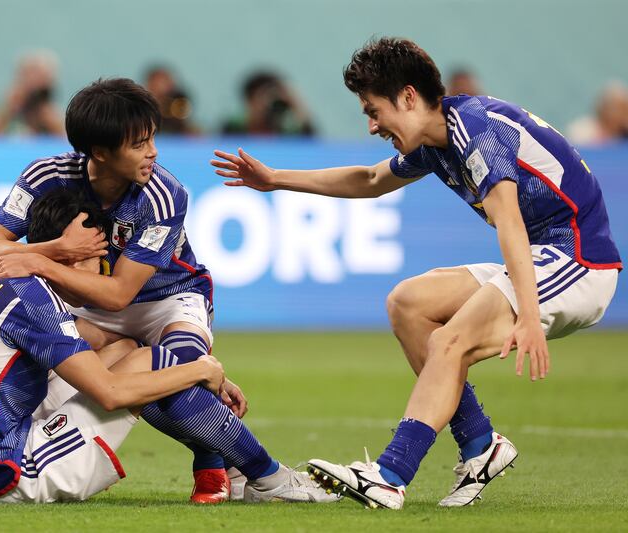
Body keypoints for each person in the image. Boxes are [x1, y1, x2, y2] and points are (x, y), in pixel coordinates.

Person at [211, 37, 621, 510]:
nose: (371, 125)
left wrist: (528, 313)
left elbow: (508, 221)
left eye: (374, 110)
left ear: (408, 97)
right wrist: (276, 179)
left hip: (578, 260)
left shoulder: (475, 129)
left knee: (450, 341)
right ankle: (479, 444)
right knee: (409, 303)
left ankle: (389, 476)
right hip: (541, 255)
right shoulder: (437, 140)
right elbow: (369, 181)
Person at [0, 78, 315, 503]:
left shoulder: (164, 194)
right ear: (99, 152)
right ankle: (237, 463)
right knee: (152, 378)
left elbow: (119, 294)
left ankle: (216, 465)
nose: (152, 152)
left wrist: (37, 259)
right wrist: (57, 249)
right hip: (87, 301)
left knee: (177, 364)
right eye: (138, 144)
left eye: (152, 138)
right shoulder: (46, 176)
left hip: (167, 300)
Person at [0, 188, 338, 503]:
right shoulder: (35, 301)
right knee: (152, 363)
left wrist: (212, 374)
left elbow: (107, 341)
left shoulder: (7, 282)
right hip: (9, 472)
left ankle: (225, 461)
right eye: (94, 254)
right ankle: (270, 478)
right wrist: (202, 369)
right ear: (68, 254)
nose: (100, 268)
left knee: (128, 349)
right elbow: (110, 394)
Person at [0, 51, 65, 137]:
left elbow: (71, 144)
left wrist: (50, 120)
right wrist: (7, 111)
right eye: (28, 76)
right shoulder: (0, 112)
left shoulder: (55, 116)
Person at [221, 70, 315, 136]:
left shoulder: (286, 131)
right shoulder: (233, 128)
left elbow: (311, 143)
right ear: (249, 101)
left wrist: (296, 103)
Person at [143, 65, 200, 135]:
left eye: (165, 82)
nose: (161, 86)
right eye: (158, 83)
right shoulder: (142, 103)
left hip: (176, 134)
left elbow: (183, 120)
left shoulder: (178, 98)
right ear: (149, 84)